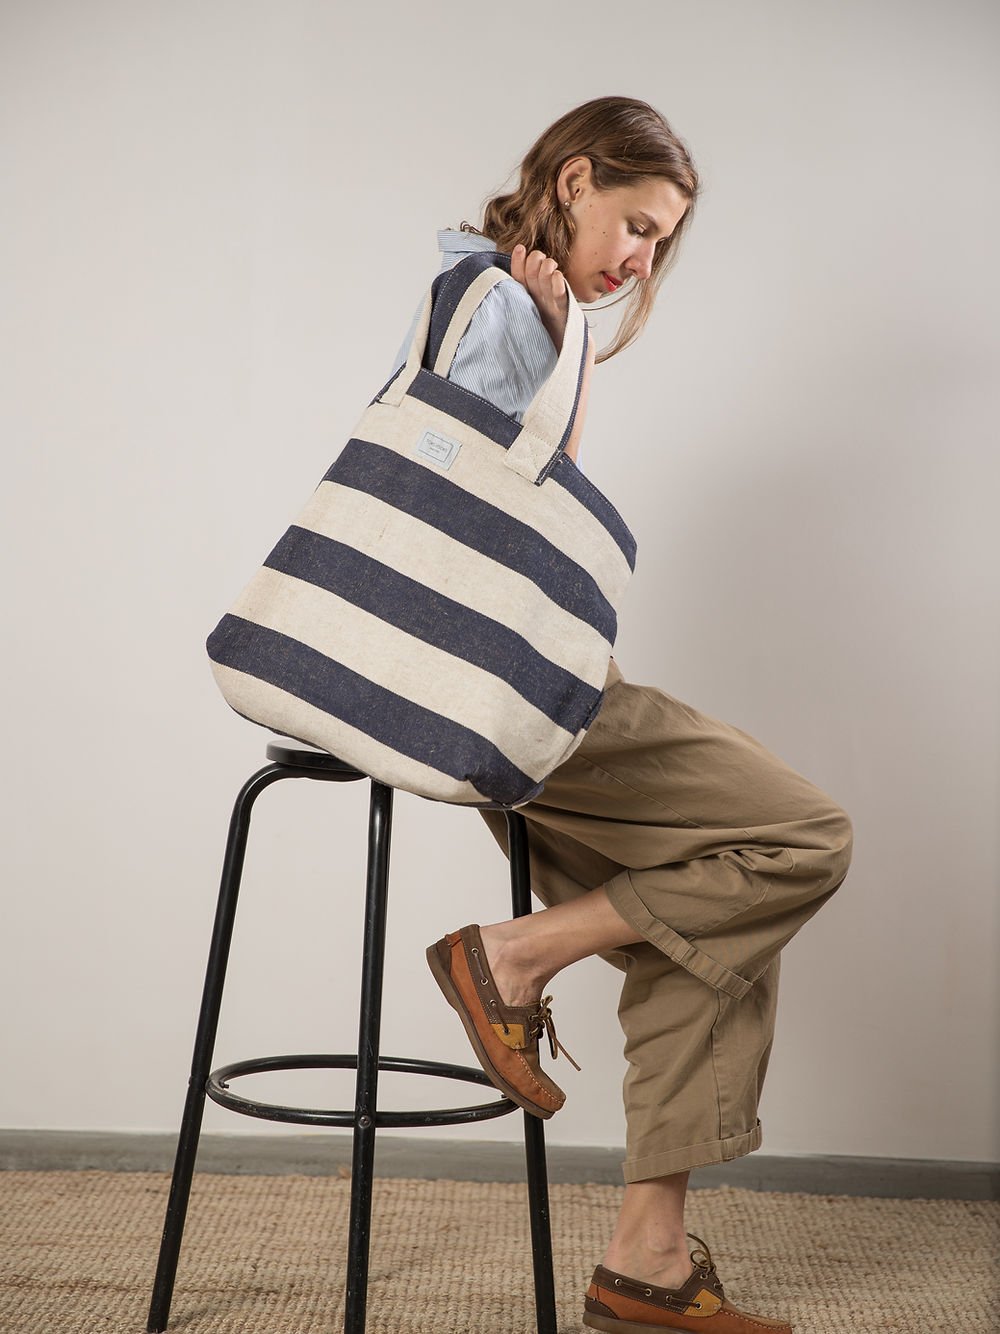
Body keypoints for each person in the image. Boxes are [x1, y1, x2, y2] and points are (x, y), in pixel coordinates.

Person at [391, 96, 853, 1334]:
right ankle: (511, 954)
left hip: (495, 688)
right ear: (577, 178)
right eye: (635, 224)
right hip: (517, 693)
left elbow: (526, 479)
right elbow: (482, 518)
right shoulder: (498, 307)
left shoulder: (512, 306)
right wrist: (556, 340)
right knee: (806, 834)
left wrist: (568, 340)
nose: (640, 258)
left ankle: (646, 1258)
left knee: (713, 921)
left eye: (660, 244)